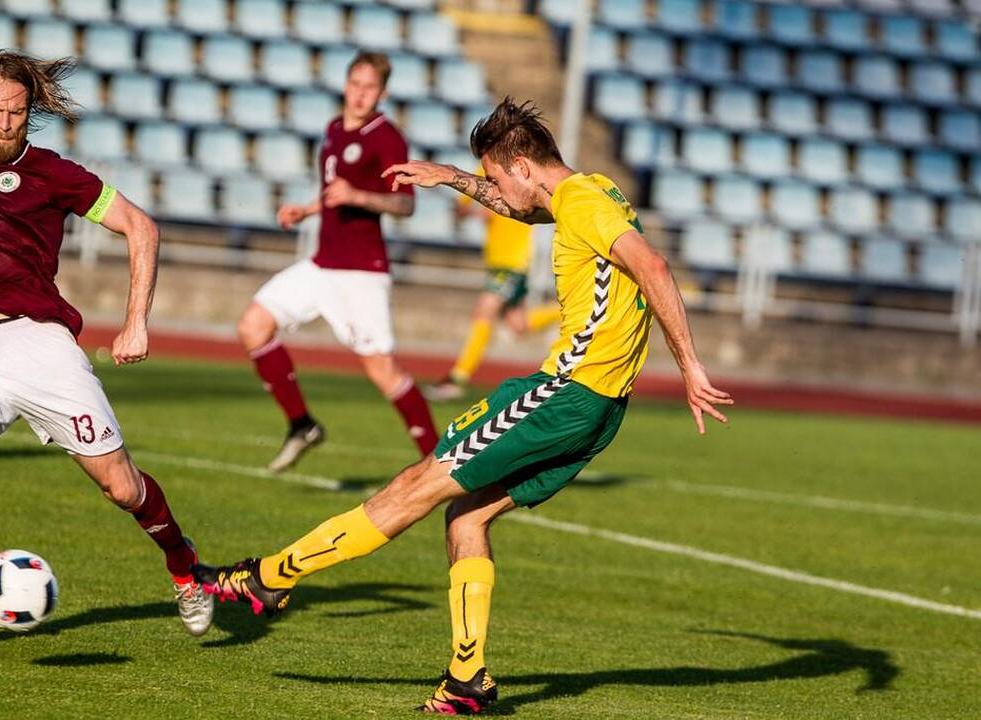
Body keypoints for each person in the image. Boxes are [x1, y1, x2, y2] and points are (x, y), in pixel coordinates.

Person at [193, 98, 732, 713]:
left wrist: (689, 365)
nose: (500, 193)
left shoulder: (580, 202)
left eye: (499, 176)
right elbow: (524, 212)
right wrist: (450, 176)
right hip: (599, 408)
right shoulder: (591, 192)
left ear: (523, 164)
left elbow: (654, 267)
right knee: (468, 518)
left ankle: (268, 578)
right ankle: (467, 680)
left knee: (415, 486)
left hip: (564, 393)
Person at [0, 51, 213, 636]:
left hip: (43, 347)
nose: (5, 122)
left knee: (122, 488)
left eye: (17, 113)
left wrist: (135, 322)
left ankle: (184, 564)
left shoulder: (54, 173)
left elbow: (140, 226)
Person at [237, 51, 438, 472]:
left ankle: (439, 462)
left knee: (382, 370)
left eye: (370, 88)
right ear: (346, 84)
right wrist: (307, 210)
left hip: (362, 271)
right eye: (356, 84)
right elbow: (334, 193)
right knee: (253, 324)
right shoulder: (332, 129)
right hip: (321, 263)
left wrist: (359, 197)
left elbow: (405, 204)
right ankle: (302, 424)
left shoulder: (387, 137)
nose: (361, 94)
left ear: (381, 93)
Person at [426, 170, 560, 401]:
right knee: (517, 325)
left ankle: (458, 378)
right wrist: (462, 210)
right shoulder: (484, 171)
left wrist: (470, 211)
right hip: (501, 262)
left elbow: (497, 209)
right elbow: (465, 207)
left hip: (513, 263)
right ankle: (569, 311)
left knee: (483, 311)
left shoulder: (515, 175)